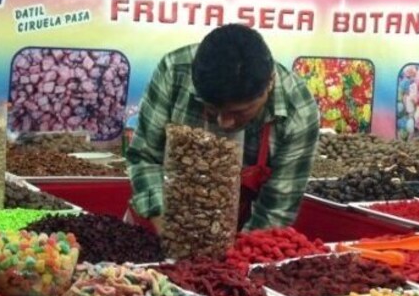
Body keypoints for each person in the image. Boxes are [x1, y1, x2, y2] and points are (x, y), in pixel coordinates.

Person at [126, 24, 320, 232]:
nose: (223, 122)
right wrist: (169, 231)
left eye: (239, 112)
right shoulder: (175, 71)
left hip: (239, 234)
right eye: (211, 108)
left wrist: (233, 259)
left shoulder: (298, 111)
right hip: (160, 224)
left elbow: (275, 212)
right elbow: (144, 157)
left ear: (270, 83)